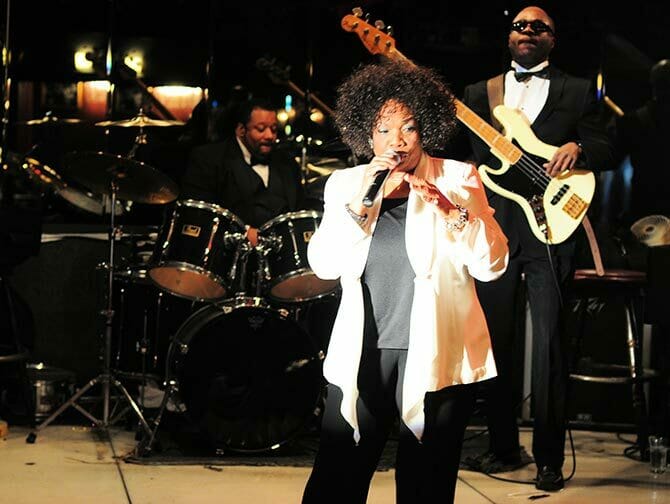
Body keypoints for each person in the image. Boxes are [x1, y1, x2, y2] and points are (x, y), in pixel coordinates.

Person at [301, 59, 509, 503]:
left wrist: (451, 211)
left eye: (409, 128)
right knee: (336, 480)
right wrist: (361, 202)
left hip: (439, 351)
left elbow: (493, 264)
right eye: (384, 130)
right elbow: (324, 265)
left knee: (425, 486)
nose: (397, 141)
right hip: (363, 351)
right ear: (367, 135)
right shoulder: (345, 184)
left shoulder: (458, 177)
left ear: (425, 129)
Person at [461, 5, 615, 491]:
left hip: (552, 226)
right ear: (509, 37)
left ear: (553, 38)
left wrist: (580, 149)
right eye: (519, 25)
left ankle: (549, 459)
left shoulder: (578, 89)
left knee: (550, 343)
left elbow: (608, 146)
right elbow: (468, 159)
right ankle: (503, 446)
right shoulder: (478, 93)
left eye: (538, 27)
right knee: (495, 339)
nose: (527, 31)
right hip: (498, 225)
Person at [180, 96, 304, 246]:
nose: (269, 136)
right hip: (229, 251)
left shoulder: (288, 164)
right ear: (241, 130)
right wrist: (243, 232)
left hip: (281, 252)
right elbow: (198, 214)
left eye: (273, 129)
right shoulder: (209, 159)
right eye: (261, 129)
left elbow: (300, 212)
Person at [615, 59, 670, 222]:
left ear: (653, 85)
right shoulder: (633, 120)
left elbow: (614, 160)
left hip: (644, 206)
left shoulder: (633, 120)